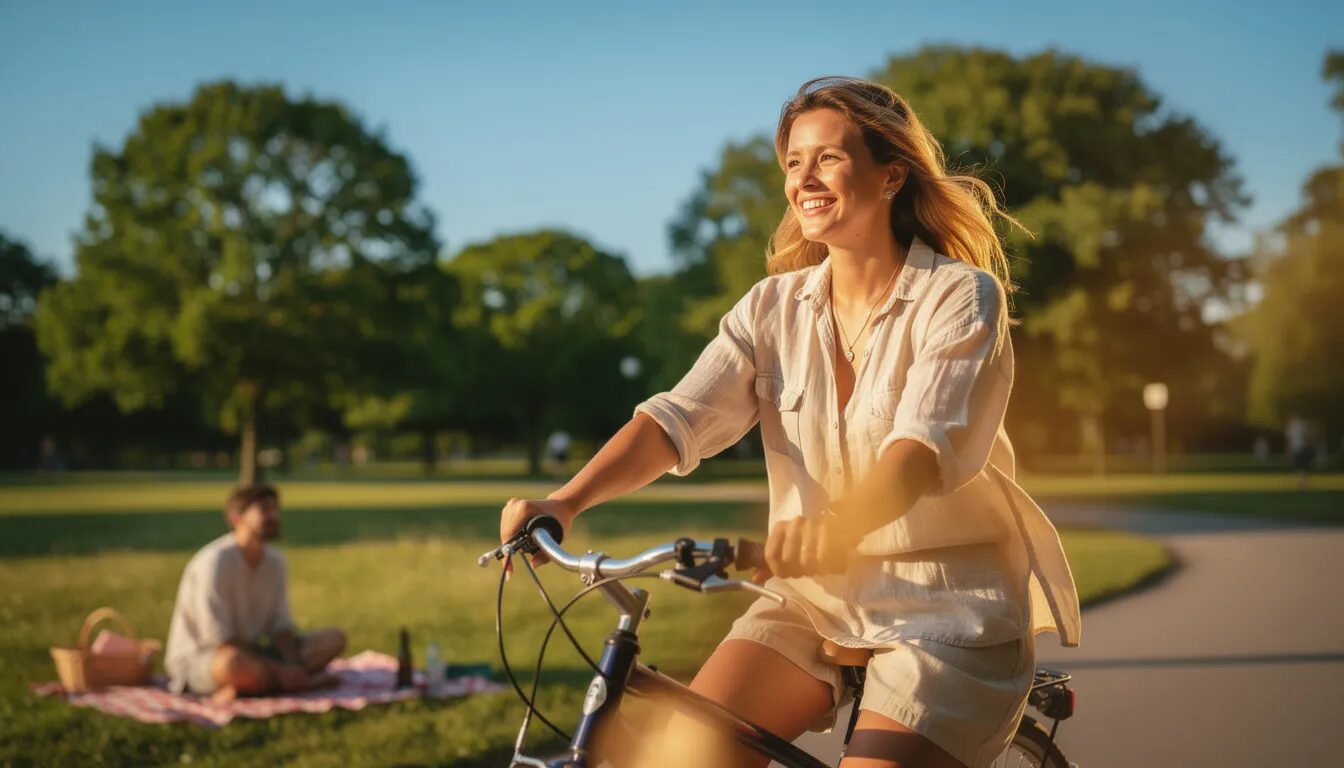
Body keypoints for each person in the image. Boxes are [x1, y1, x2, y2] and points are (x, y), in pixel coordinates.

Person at [499, 76, 1080, 768]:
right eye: (793, 162)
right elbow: (677, 419)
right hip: (811, 599)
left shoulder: (958, 296)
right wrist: (565, 501)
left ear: (891, 174)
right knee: (682, 758)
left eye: (828, 158)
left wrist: (838, 526)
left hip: (943, 611)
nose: (804, 177)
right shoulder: (770, 308)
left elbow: (920, 447)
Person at [165, 484, 346, 702]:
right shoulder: (214, 562)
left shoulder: (275, 562)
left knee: (334, 639)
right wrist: (280, 670)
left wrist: (291, 664)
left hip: (256, 654)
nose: (274, 516)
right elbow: (217, 638)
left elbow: (281, 625)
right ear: (236, 518)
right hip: (204, 658)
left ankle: (259, 685)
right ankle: (301, 682)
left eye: (275, 509)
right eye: (264, 510)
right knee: (231, 664)